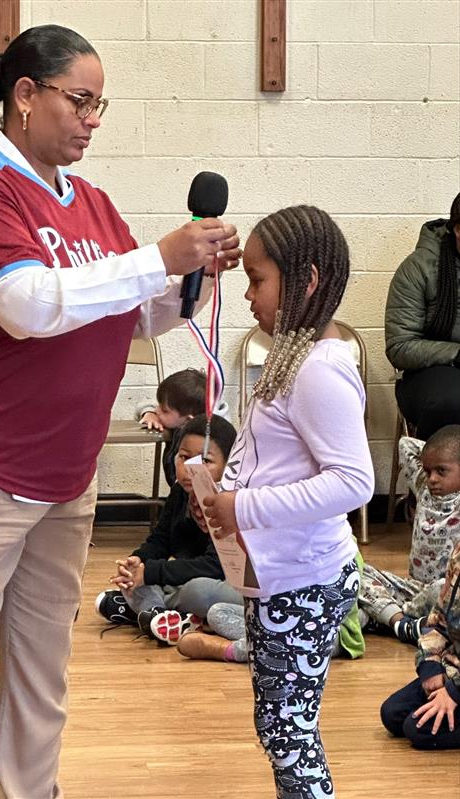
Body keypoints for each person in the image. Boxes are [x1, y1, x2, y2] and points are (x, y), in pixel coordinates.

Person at [0, 24, 241, 798]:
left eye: (100, 106)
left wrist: (191, 281)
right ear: (24, 96)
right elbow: (30, 307)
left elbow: (135, 316)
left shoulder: (95, 205)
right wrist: (157, 259)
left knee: (42, 674)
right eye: (79, 101)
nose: (90, 120)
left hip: (60, 476)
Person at [201, 206, 375, 799]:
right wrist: (225, 495)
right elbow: (273, 457)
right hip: (277, 576)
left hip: (305, 580)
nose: (247, 296)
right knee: (280, 729)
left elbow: (354, 481)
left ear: (307, 281)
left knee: (289, 735)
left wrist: (245, 510)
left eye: (257, 280)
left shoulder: (321, 369)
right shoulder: (292, 355)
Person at [96, 414, 241, 644]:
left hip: (225, 585)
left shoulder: (230, 501)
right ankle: (164, 617)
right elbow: (160, 542)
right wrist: (136, 562)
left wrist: (151, 573)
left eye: (205, 461)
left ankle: (152, 611)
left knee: (198, 591)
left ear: (230, 465)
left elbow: (215, 566)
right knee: (138, 581)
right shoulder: (179, 493)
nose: (190, 468)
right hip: (183, 580)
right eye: (183, 457)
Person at [359, 427, 460, 645]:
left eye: (441, 471)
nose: (432, 478)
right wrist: (438, 454)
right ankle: (402, 623)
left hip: (447, 593)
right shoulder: (423, 487)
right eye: (427, 470)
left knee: (440, 588)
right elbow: (405, 444)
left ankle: (385, 616)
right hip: (413, 589)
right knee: (356, 571)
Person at [177, 550, 367, 664]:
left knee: (294, 645)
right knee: (217, 611)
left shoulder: (343, 550)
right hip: (280, 619)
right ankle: (260, 642)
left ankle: (228, 650)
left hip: (330, 631)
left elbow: (333, 608)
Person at [385, 192, 460, 440]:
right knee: (449, 401)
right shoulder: (418, 269)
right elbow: (400, 346)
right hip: (432, 373)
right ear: (458, 230)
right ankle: (436, 474)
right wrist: (456, 354)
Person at [380, 540, 460, 750]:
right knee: (392, 714)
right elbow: (439, 617)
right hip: (454, 665)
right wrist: (430, 665)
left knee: (418, 731)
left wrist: (453, 692)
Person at [136, 367, 229, 485]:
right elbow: (143, 404)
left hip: (201, 492)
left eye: (164, 410)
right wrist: (149, 413)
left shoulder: (206, 442)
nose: (157, 410)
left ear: (188, 420)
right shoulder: (183, 412)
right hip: (180, 487)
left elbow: (202, 483)